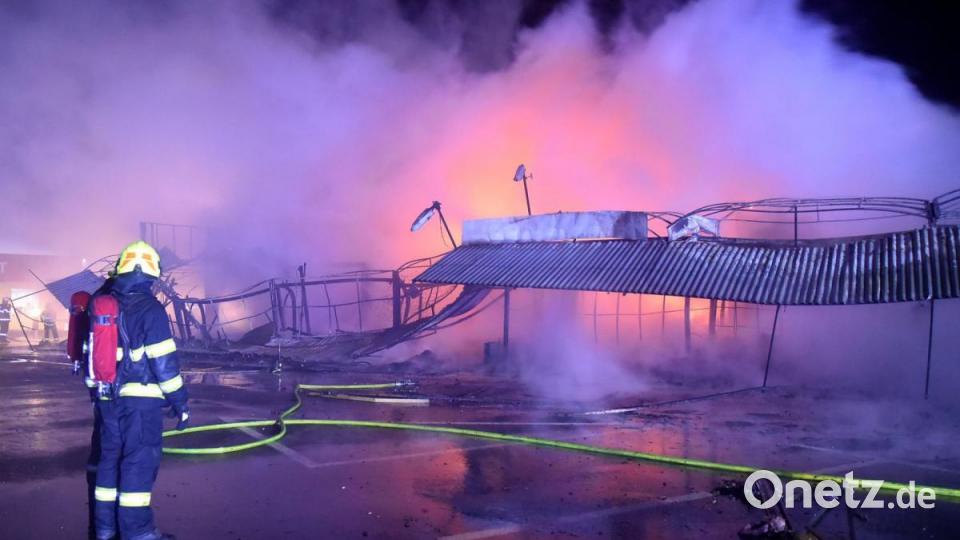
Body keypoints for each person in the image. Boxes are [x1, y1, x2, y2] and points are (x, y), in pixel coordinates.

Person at [92, 241, 189, 540]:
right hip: (141, 404)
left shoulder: (103, 302)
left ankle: (105, 530)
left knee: (109, 463)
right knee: (138, 464)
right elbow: (164, 366)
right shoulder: (151, 309)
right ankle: (139, 534)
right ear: (150, 274)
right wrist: (180, 403)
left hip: (107, 399)